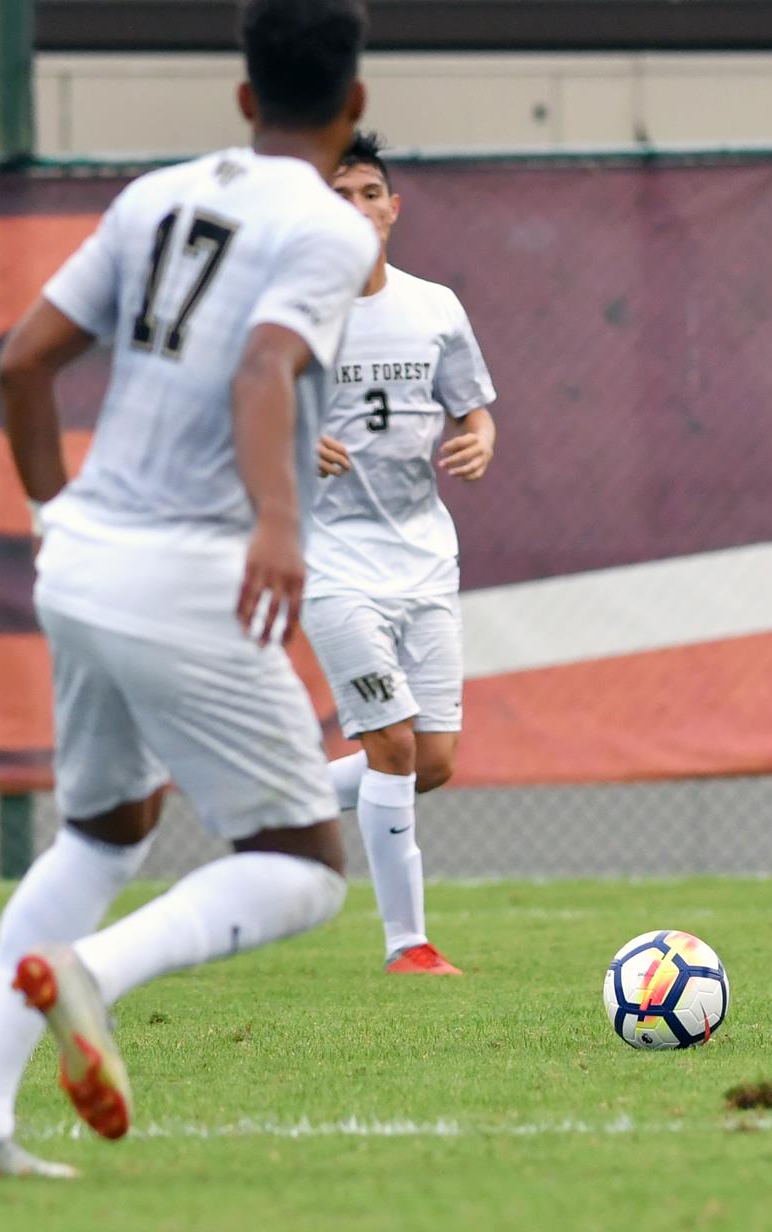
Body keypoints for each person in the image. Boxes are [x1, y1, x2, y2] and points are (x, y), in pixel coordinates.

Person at [0, 0, 380, 1178]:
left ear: (241, 97)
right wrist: (279, 523)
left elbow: (23, 363)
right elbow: (266, 365)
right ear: (357, 105)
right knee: (301, 863)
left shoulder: (153, 195)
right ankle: (95, 973)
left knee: (102, 828)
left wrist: (46, 518)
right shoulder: (328, 231)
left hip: (79, 562)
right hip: (190, 572)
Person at [305, 130, 497, 976]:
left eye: (368, 193)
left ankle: (284, 803)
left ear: (392, 208)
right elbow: (230, 420)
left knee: (433, 761)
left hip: (425, 559)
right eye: (337, 195)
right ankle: (407, 944)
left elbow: (475, 412)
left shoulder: (435, 307)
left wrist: (481, 442)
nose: (356, 209)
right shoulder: (290, 318)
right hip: (333, 563)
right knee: (390, 746)